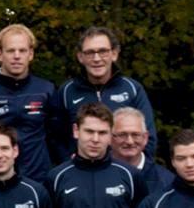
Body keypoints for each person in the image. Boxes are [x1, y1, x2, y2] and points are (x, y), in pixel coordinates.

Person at [48, 25, 157, 165]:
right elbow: (56, 138)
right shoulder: (66, 91)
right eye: (90, 52)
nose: (97, 58)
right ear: (80, 57)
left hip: (124, 171)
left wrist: (135, 170)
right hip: (81, 171)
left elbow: (148, 137)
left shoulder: (132, 89)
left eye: (103, 51)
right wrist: (70, 165)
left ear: (114, 54)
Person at [0, 24, 57, 179]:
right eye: (10, 51)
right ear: (0, 54)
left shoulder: (47, 90)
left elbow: (56, 137)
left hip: (39, 180)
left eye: (22, 50)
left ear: (31, 54)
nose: (17, 56)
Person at [109, 107, 170, 199]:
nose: (129, 141)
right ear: (110, 137)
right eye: (122, 135)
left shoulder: (165, 181)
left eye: (135, 135)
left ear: (145, 138)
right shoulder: (95, 174)